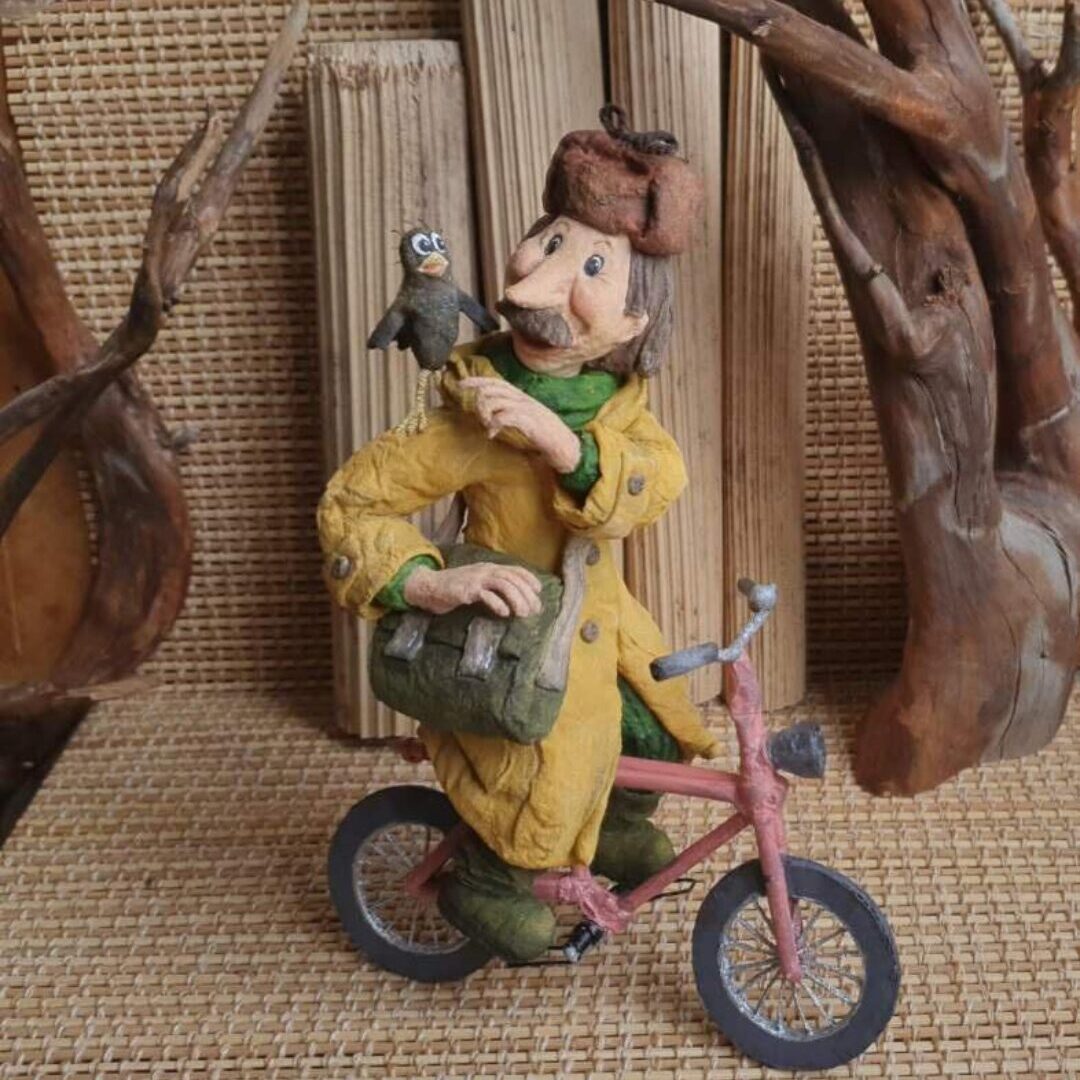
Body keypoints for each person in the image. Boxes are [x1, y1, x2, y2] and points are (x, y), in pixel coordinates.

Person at [318, 108, 719, 964]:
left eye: (592, 266)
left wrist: (565, 447)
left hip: (602, 625)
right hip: (512, 647)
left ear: (634, 321)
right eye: (549, 242)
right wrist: (429, 582)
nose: (537, 286)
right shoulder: (474, 417)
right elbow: (351, 507)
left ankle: (611, 826)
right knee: (539, 780)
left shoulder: (615, 406)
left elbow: (658, 479)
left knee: (658, 727)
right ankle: (491, 880)